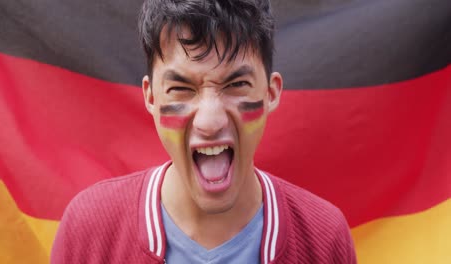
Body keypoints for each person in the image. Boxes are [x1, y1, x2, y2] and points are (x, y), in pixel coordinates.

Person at [51, 0, 357, 263]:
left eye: (236, 85)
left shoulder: (323, 239)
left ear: (271, 93)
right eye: (181, 89)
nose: (210, 122)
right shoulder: (90, 231)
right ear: (151, 97)